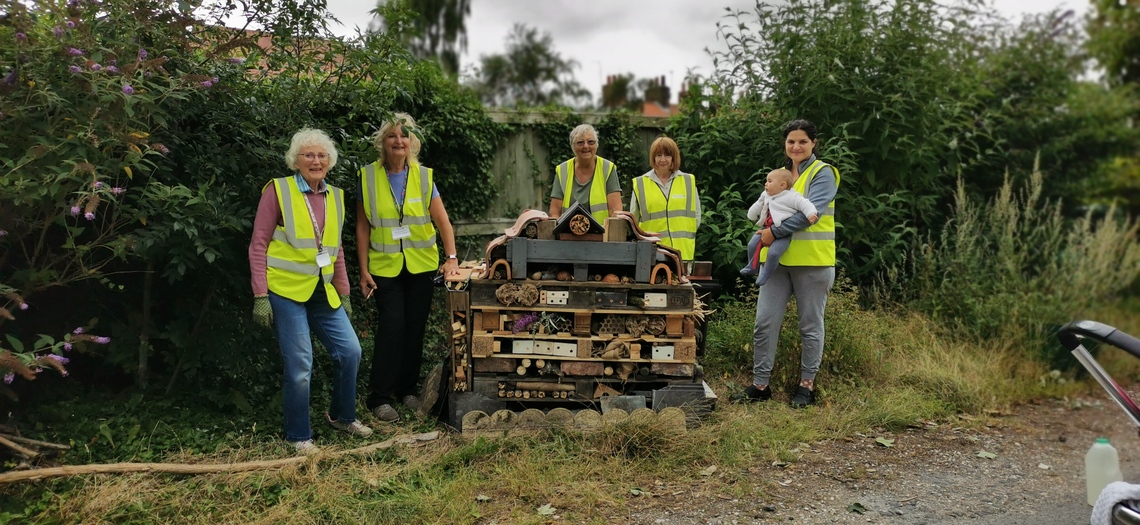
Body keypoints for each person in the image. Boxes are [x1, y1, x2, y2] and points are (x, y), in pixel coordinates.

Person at [249, 128, 372, 455]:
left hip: (323, 291)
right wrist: (261, 295)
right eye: (308, 155)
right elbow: (258, 245)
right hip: (286, 291)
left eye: (321, 155)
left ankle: (342, 417)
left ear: (329, 161)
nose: (315, 160)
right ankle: (298, 436)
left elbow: (336, 249)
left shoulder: (336, 196)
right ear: (296, 160)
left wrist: (343, 291)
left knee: (350, 352)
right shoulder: (278, 191)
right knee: (301, 362)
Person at [356, 113, 459, 423]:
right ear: (383, 142)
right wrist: (363, 269)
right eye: (392, 136)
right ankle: (380, 397)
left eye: (404, 136)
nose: (398, 141)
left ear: (412, 142)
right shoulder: (368, 176)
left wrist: (451, 257)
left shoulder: (424, 177)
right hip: (385, 268)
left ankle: (407, 390)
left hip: (421, 267)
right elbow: (362, 227)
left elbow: (443, 222)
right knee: (392, 329)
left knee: (415, 329)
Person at [735, 119, 840, 408]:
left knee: (810, 326)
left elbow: (812, 213)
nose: (796, 146)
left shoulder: (823, 173)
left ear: (814, 143)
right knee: (764, 324)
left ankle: (806, 386)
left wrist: (773, 233)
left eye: (803, 141)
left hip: (813, 263)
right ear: (785, 143)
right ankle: (760, 385)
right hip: (776, 264)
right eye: (791, 141)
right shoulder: (779, 176)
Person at [739, 168, 819, 286]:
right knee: (752, 245)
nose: (766, 184)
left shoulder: (791, 196)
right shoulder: (766, 194)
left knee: (774, 253)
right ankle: (752, 266)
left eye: (770, 181)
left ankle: (766, 274)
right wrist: (751, 215)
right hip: (766, 228)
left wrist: (811, 214)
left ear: (782, 185)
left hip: (783, 232)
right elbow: (758, 204)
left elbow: (805, 204)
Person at [630, 136, 701, 261]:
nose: (662, 159)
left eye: (667, 155)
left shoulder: (688, 181)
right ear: (653, 157)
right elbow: (633, 223)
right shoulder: (640, 184)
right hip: (652, 254)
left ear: (674, 157)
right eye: (658, 155)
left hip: (682, 254)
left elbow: (696, 218)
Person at [548, 124, 623, 222]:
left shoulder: (607, 168)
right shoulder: (562, 170)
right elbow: (554, 212)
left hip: (601, 234)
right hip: (567, 234)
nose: (586, 146)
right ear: (573, 147)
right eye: (580, 143)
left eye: (591, 142)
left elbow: (615, 211)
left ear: (597, 145)